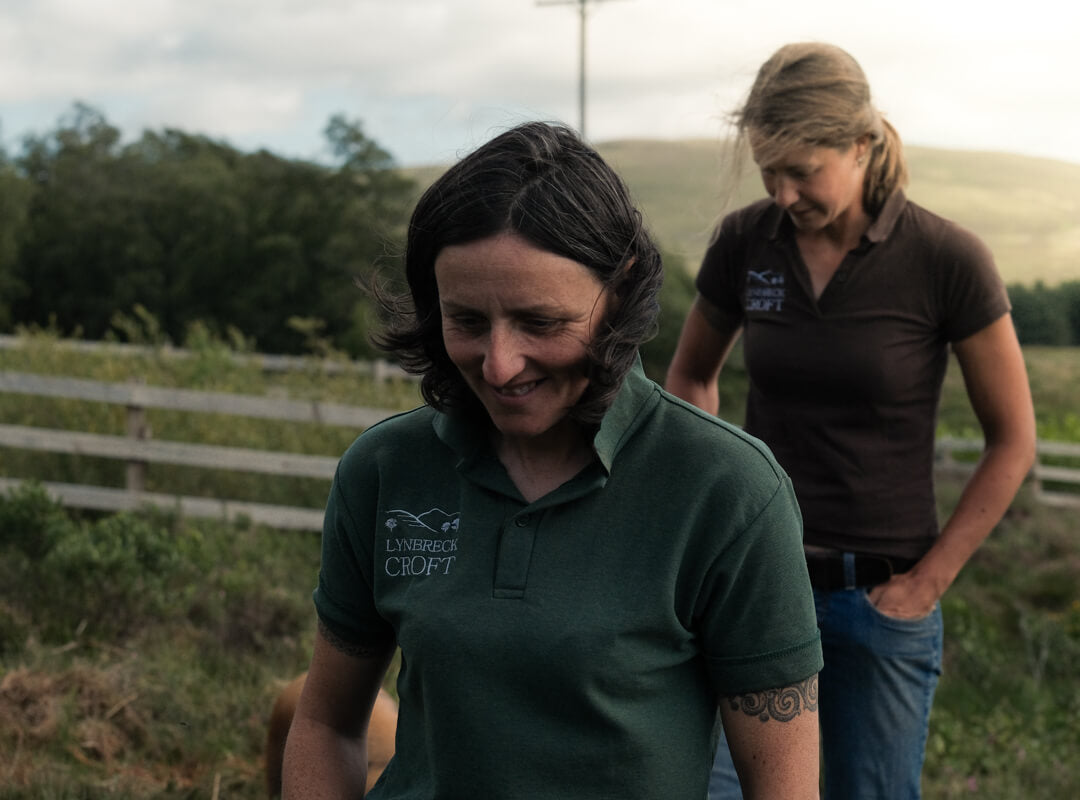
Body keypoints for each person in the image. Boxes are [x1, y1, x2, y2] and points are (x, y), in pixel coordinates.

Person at [281, 121, 823, 799]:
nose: (500, 365)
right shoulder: (386, 470)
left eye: (542, 323)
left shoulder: (728, 491)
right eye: (467, 321)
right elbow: (327, 724)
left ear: (620, 291)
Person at [664, 43, 1037, 800]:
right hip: (755, 591)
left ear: (862, 146)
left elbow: (1013, 440)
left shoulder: (947, 258)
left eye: (804, 170)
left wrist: (926, 584)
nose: (784, 191)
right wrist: (699, 528)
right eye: (770, 170)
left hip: (881, 602)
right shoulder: (746, 241)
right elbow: (691, 378)